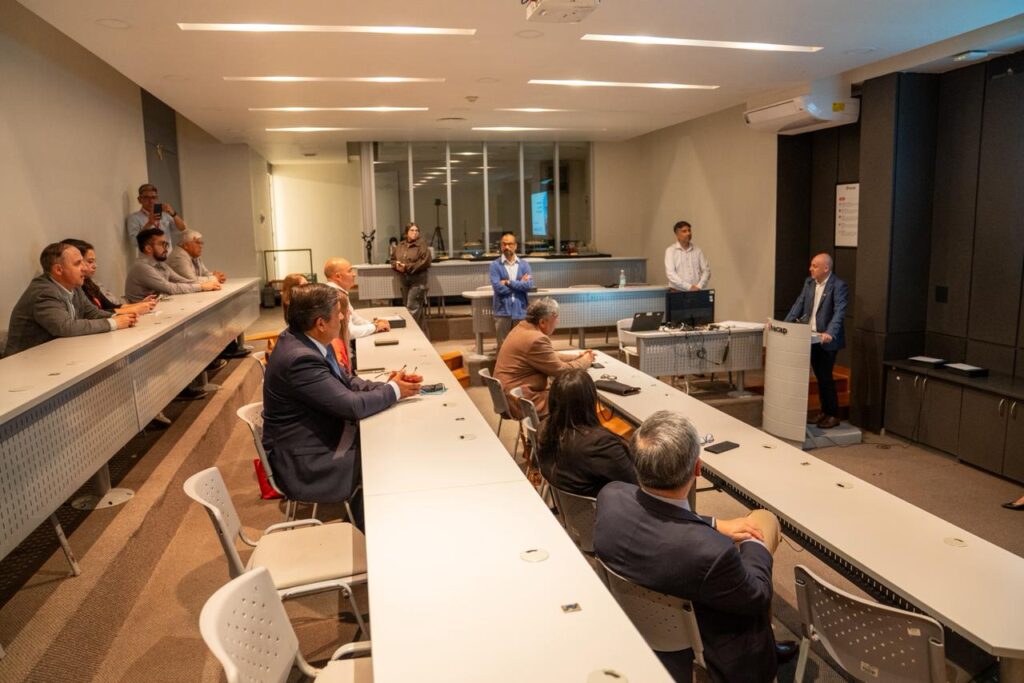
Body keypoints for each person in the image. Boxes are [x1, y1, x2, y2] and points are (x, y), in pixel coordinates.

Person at [595, 410, 794, 683]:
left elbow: (662, 518)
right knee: (763, 520)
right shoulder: (712, 552)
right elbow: (758, 595)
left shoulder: (610, 496)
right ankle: (766, 645)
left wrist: (713, 523)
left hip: (637, 624)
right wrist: (753, 542)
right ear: (698, 469)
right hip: (710, 644)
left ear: (637, 464)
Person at [261, 283, 421, 506]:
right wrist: (393, 391)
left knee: (387, 439)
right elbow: (351, 406)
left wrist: (387, 386)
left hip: (322, 437)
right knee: (387, 453)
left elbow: (346, 381)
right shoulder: (300, 359)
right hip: (307, 462)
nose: (344, 317)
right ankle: (368, 519)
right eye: (338, 313)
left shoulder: (307, 340)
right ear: (321, 323)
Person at [4, 242, 137, 357]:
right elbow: (65, 327)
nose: (84, 268)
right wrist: (113, 323)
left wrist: (121, 317)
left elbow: (92, 313)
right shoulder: (44, 293)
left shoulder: (74, 286)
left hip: (56, 356)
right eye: (78, 263)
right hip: (26, 363)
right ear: (58, 270)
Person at [537, 369, 635, 497]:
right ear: (590, 399)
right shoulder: (599, 444)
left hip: (570, 506)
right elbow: (636, 483)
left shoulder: (544, 427)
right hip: (604, 505)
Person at [493, 297, 593, 418]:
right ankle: (567, 430)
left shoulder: (522, 328)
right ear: (542, 322)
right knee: (575, 397)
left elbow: (548, 356)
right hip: (521, 400)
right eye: (556, 318)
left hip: (509, 395)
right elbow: (561, 371)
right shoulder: (536, 339)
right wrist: (585, 361)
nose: (558, 322)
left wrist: (576, 357)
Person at [784, 253, 848, 429]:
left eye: (815, 266)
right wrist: (784, 326)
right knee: (819, 377)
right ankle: (824, 412)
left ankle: (833, 414)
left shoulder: (838, 285)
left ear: (826, 268)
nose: (810, 269)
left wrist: (830, 332)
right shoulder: (809, 283)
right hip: (810, 337)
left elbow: (839, 312)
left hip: (827, 340)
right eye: (811, 265)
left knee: (825, 376)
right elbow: (798, 305)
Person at [61, 238, 157, 316]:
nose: (95, 266)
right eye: (89, 262)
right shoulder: (71, 288)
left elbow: (109, 306)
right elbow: (95, 315)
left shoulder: (88, 283)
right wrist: (135, 309)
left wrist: (140, 305)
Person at [124, 228, 222, 302]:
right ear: (148, 248)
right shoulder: (142, 268)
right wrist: (201, 287)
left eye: (166, 244)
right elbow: (170, 288)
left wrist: (205, 285)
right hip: (140, 315)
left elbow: (182, 280)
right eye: (162, 244)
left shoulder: (160, 264)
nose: (166, 249)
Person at [324, 257, 390, 338]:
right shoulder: (335, 296)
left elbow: (355, 319)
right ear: (338, 277)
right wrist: (375, 327)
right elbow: (349, 332)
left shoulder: (337, 291)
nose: (354, 274)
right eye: (349, 271)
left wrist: (374, 324)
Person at [489, 231, 533, 351]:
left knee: (521, 347)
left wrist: (509, 282)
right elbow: (498, 288)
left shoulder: (524, 265)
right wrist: (519, 284)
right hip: (502, 312)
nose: (507, 247)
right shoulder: (495, 265)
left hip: (521, 311)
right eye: (504, 244)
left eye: (510, 244)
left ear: (515, 245)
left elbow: (528, 285)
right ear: (501, 246)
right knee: (503, 348)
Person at [390, 222, 433, 329]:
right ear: (406, 233)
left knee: (412, 308)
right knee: (411, 308)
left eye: (417, 230)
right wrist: (396, 265)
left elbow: (425, 262)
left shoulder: (422, 245)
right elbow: (392, 259)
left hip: (417, 281)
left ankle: (410, 331)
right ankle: (421, 334)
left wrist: (407, 267)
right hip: (404, 280)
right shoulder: (400, 246)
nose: (415, 232)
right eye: (412, 230)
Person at [126, 183, 187, 251]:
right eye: (146, 197)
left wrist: (173, 213)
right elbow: (134, 242)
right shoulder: (134, 218)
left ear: (157, 198)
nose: (151, 201)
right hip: (149, 256)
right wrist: (149, 224)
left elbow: (182, 228)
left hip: (168, 255)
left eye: (153, 197)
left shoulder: (165, 215)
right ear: (139, 199)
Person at [664, 220, 710, 292]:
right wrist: (689, 287)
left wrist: (699, 286)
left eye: (689, 230)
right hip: (678, 292)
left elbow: (706, 270)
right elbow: (671, 274)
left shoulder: (698, 250)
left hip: (697, 291)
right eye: (684, 231)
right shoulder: (670, 251)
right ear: (677, 234)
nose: (688, 233)